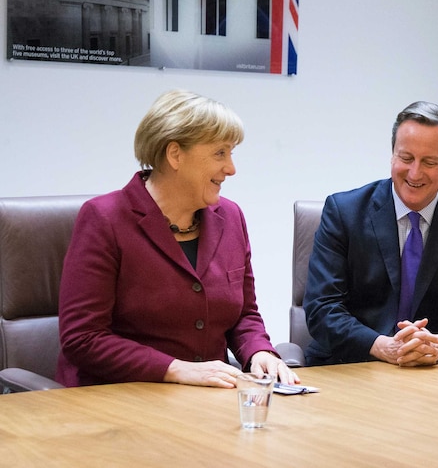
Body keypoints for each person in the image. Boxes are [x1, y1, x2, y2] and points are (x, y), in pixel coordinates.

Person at [57, 90, 298, 388]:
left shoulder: (231, 217)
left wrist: (258, 351)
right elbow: (83, 338)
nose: (231, 169)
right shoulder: (104, 219)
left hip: (209, 402)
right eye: (220, 153)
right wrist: (174, 369)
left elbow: (244, 314)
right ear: (175, 155)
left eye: (231, 154)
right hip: (118, 399)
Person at [303, 101, 438, 366]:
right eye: (406, 158)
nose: (414, 173)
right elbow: (322, 308)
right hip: (350, 365)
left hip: (432, 372)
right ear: (392, 154)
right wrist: (383, 346)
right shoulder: (344, 212)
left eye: (430, 162)